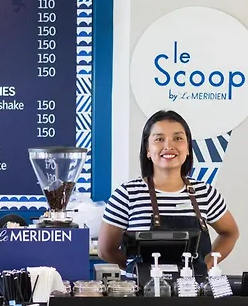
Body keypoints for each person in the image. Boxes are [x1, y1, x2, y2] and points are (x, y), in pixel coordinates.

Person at [98, 110, 239, 274]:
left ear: (188, 148)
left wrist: (206, 265)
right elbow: (105, 250)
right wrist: (137, 270)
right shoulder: (127, 194)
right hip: (141, 289)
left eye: (178, 138)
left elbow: (230, 233)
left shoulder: (205, 193)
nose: (168, 146)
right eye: (159, 139)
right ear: (148, 149)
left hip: (192, 288)